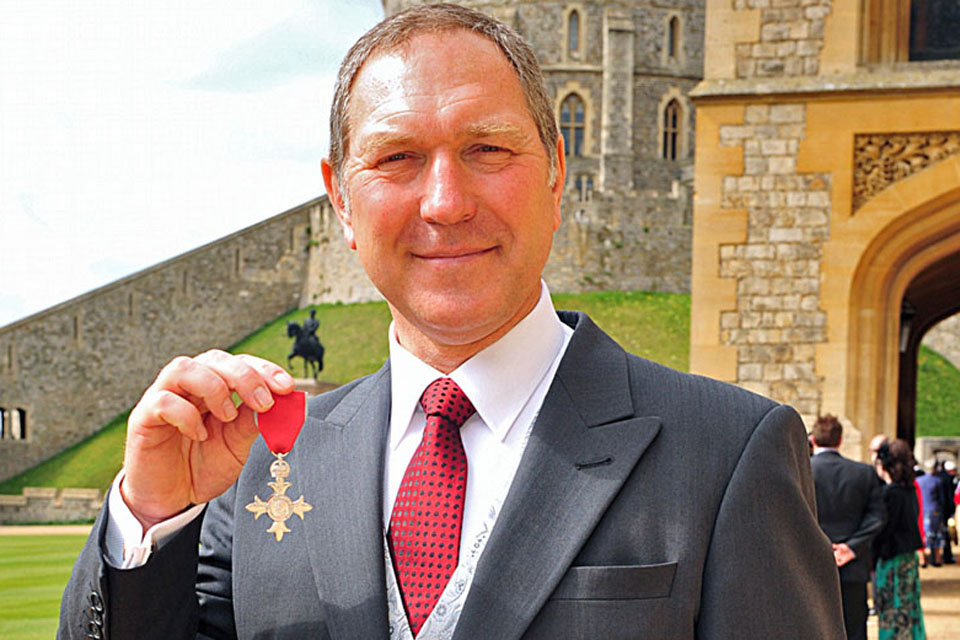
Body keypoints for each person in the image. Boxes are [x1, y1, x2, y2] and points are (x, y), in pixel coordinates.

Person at [57, 5, 845, 639]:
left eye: (487, 149)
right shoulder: (263, 459)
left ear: (557, 172)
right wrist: (153, 518)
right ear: (341, 199)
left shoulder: (728, 453)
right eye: (397, 158)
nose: (444, 202)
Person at [810, 415, 886, 640]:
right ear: (840, 440)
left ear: (813, 440)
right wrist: (850, 548)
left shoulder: (801, 471)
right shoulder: (863, 473)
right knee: (854, 629)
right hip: (853, 566)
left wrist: (821, 548)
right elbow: (877, 516)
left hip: (811, 566)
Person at [873, 439, 927, 639]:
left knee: (892, 609)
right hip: (908, 557)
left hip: (892, 560)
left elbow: (884, 529)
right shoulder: (909, 490)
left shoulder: (890, 494)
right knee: (909, 607)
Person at [916, 459, 948, 567]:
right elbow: (942, 499)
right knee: (937, 535)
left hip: (921, 511)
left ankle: (922, 559)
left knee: (922, 535)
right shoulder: (938, 481)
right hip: (935, 511)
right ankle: (937, 559)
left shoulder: (918, 480)